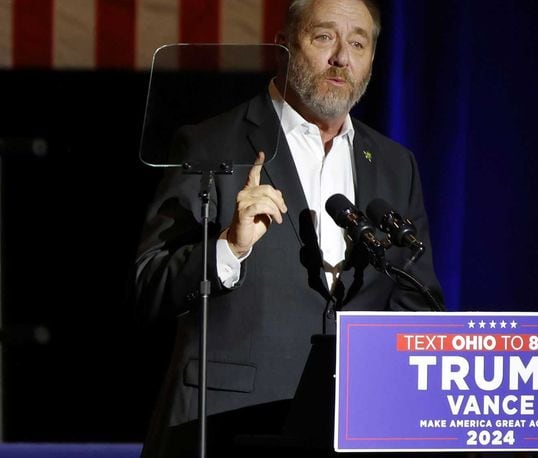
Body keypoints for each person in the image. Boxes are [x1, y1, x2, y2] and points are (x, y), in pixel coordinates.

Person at [132, 0, 443, 456]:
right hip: (229, 428)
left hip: (353, 430)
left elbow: (417, 306)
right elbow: (147, 287)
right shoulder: (211, 142)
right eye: (324, 37)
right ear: (284, 44)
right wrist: (227, 248)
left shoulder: (396, 165)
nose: (342, 57)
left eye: (358, 42)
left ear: (373, 59)